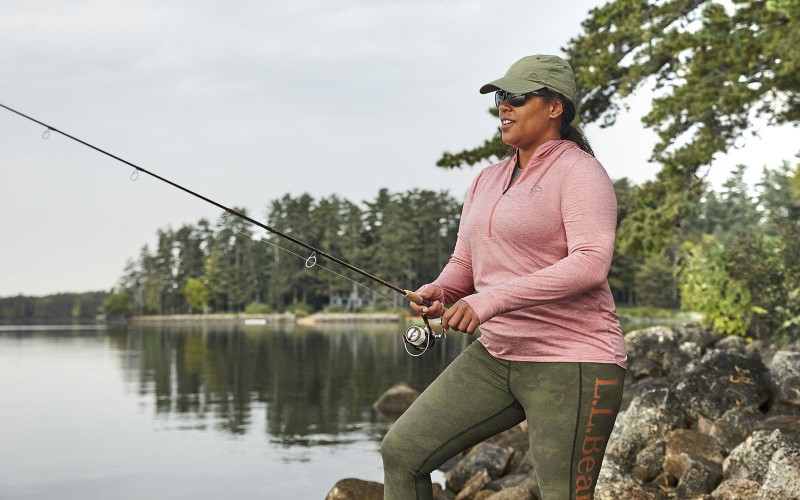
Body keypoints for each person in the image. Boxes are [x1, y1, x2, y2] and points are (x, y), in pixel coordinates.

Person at [381, 54, 628, 500]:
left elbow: (591, 263)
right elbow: (465, 263)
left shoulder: (581, 172)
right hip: (498, 353)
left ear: (555, 106)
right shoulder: (486, 180)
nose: (503, 107)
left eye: (516, 96)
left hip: (572, 359)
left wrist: (487, 302)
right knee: (403, 452)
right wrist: (442, 289)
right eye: (500, 97)